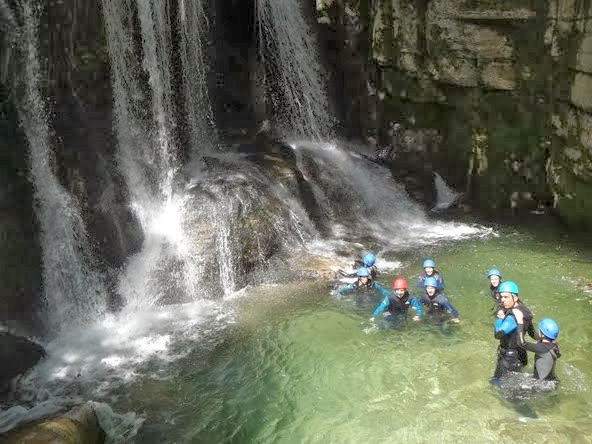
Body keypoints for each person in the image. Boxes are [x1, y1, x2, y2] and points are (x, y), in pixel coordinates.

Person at [492, 281, 537, 379]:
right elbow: (532, 333)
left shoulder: (512, 317)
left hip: (509, 359)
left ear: (515, 298)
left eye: (506, 297)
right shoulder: (525, 310)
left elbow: (498, 334)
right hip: (521, 354)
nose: (502, 300)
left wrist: (500, 317)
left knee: (496, 383)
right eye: (501, 297)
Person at [515, 314, 561, 382]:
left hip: (542, 385)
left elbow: (521, 343)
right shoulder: (553, 344)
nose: (538, 330)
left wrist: (520, 323)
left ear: (542, 334)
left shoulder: (543, 347)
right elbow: (532, 333)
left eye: (539, 330)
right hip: (551, 381)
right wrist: (528, 319)